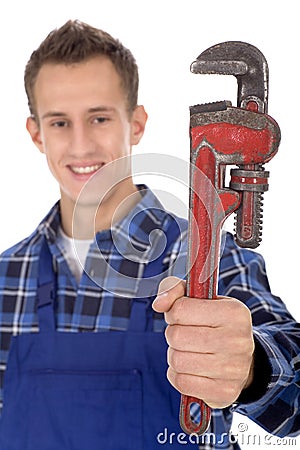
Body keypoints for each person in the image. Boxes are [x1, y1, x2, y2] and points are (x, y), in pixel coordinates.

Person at [0, 20, 299, 450]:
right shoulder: (7, 276)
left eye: (99, 118)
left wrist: (254, 367)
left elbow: (295, 388)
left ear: (136, 124)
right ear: (36, 134)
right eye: (60, 122)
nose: (81, 145)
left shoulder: (207, 256)